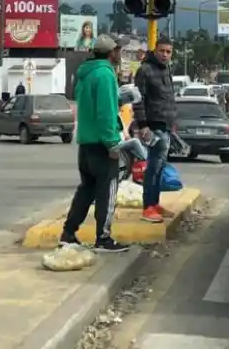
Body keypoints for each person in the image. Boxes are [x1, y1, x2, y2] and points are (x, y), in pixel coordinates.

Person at [58, 34, 129, 252]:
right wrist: (112, 144)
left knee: (86, 190)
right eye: (119, 50)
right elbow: (105, 113)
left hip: (86, 143)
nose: (120, 54)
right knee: (107, 191)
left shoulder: (85, 74)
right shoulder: (105, 75)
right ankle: (104, 238)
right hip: (102, 143)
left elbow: (92, 105)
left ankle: (68, 233)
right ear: (111, 53)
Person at [133, 36, 176, 223]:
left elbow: (168, 99)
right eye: (162, 51)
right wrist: (143, 125)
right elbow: (138, 100)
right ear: (155, 50)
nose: (165, 55)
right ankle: (148, 207)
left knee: (160, 167)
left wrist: (173, 121)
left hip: (166, 125)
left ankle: (155, 203)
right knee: (153, 166)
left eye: (168, 52)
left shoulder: (166, 70)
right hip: (152, 125)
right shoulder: (145, 70)